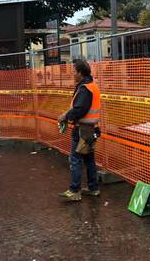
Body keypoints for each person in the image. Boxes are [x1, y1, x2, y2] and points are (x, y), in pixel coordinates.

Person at [57, 59, 102, 201]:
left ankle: (75, 190)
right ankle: (92, 188)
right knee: (89, 159)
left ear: (81, 73)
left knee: (75, 159)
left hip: (82, 129)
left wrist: (65, 116)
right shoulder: (91, 85)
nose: (73, 74)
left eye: (74, 71)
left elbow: (79, 110)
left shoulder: (84, 88)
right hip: (90, 129)